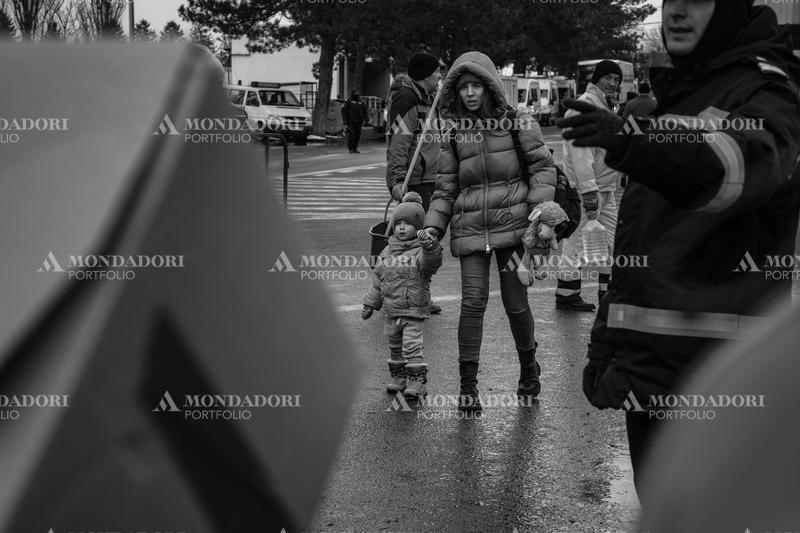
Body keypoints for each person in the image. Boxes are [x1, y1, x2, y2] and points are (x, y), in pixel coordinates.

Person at [557, 0, 800, 494]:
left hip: (721, 378)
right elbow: (647, 241)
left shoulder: (767, 89)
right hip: (653, 372)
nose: (677, 13)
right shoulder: (688, 90)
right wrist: (609, 342)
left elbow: (734, 171)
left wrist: (634, 143)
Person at [421, 51, 558, 411]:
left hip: (513, 228)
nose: (469, 93)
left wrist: (540, 211)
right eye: (463, 87)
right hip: (470, 230)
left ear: (490, 87)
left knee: (515, 304)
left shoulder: (517, 122)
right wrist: (433, 226)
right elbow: (445, 189)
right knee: (472, 304)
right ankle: (468, 386)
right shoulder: (453, 134)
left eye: (476, 85)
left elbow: (542, 168)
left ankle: (529, 369)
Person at [556, 60, 623, 312]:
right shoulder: (584, 106)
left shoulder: (603, 107)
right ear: (596, 79)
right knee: (575, 244)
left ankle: (608, 293)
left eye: (617, 80)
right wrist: (589, 191)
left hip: (605, 189)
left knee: (613, 243)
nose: (613, 83)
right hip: (586, 192)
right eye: (608, 78)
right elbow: (581, 155)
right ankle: (567, 295)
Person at [362, 192, 443, 399]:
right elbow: (378, 280)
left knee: (412, 347)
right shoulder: (387, 251)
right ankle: (398, 377)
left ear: (418, 227)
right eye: (398, 223)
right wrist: (370, 304)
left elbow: (431, 264)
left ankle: (417, 382)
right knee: (395, 347)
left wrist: (430, 246)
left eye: (407, 224)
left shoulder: (420, 252)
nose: (401, 228)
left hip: (413, 311)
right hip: (391, 311)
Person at [386, 52, 445, 313]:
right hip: (413, 181)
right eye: (436, 72)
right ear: (425, 75)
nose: (439, 76)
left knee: (424, 241)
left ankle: (418, 293)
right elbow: (398, 142)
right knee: (411, 242)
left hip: (429, 178)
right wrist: (398, 179)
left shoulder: (428, 98)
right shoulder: (407, 98)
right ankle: (401, 294)